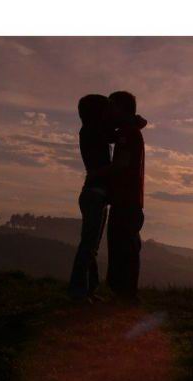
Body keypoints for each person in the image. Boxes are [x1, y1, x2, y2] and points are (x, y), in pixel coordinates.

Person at [68, 94, 113, 301]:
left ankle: (88, 290)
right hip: (94, 195)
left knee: (91, 246)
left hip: (96, 195)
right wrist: (117, 168)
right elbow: (97, 170)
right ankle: (78, 291)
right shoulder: (91, 131)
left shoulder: (93, 131)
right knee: (88, 245)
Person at [105, 91, 147, 303]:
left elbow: (121, 164)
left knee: (122, 247)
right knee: (125, 247)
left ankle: (125, 295)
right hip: (129, 200)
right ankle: (124, 294)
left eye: (111, 107)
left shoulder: (128, 133)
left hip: (125, 200)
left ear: (121, 108)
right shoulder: (130, 131)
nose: (108, 112)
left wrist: (98, 174)